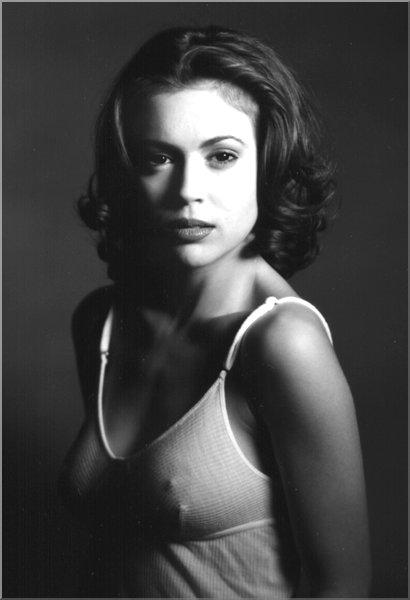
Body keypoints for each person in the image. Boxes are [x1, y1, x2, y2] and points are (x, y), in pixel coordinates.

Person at [59, 26, 371, 598]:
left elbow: (342, 586)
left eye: (221, 156)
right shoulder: (100, 321)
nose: (188, 190)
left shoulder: (283, 345)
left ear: (269, 164)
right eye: (158, 158)